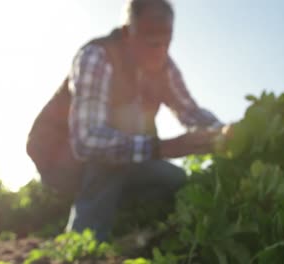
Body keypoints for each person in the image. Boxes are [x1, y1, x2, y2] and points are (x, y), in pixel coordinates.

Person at [65, 0, 228, 242]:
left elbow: (190, 112)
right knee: (107, 164)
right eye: (151, 39)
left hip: (132, 155)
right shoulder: (97, 56)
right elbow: (87, 140)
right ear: (126, 33)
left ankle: (133, 234)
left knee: (178, 181)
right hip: (65, 158)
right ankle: (81, 246)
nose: (160, 49)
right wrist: (161, 147)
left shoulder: (165, 67)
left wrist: (225, 132)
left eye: (166, 40)